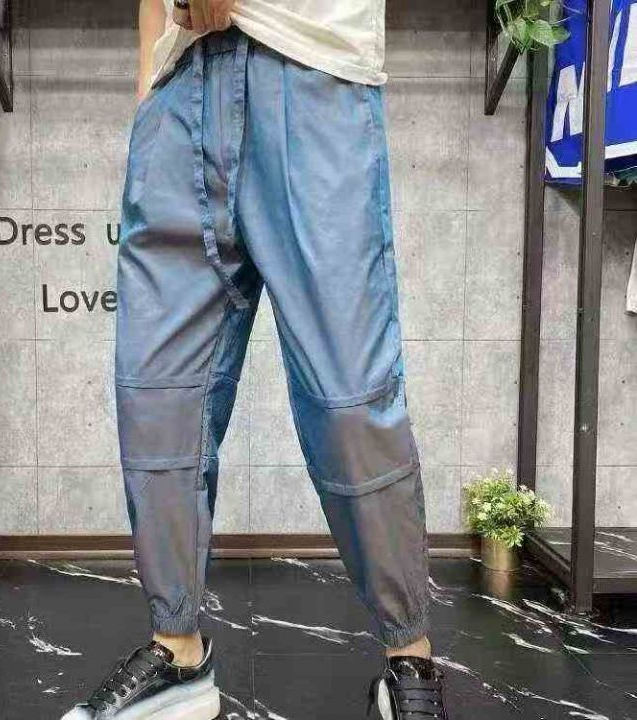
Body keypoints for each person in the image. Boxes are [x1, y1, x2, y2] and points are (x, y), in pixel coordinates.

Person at [61, 1, 449, 718]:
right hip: (181, 88)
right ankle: (177, 652)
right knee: (158, 392)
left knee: (348, 396)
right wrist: (150, 86)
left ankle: (410, 657)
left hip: (311, 74)